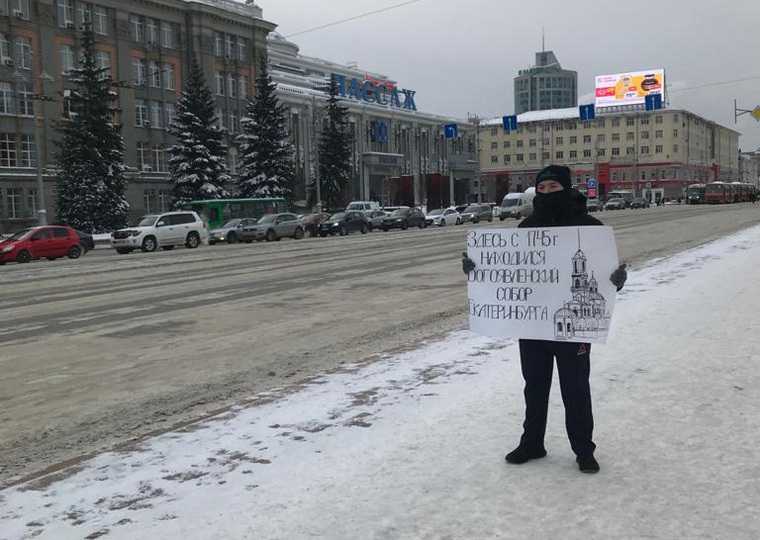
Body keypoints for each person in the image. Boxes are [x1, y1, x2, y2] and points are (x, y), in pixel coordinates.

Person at [462, 165, 627, 474]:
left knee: (575, 387)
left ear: (565, 188)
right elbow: (512, 272)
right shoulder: (528, 228)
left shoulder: (589, 227)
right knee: (534, 385)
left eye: (554, 187)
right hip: (534, 323)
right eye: (543, 188)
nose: (548, 192)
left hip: (573, 325)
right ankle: (532, 442)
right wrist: (477, 270)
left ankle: (584, 449)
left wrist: (617, 278)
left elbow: (604, 276)